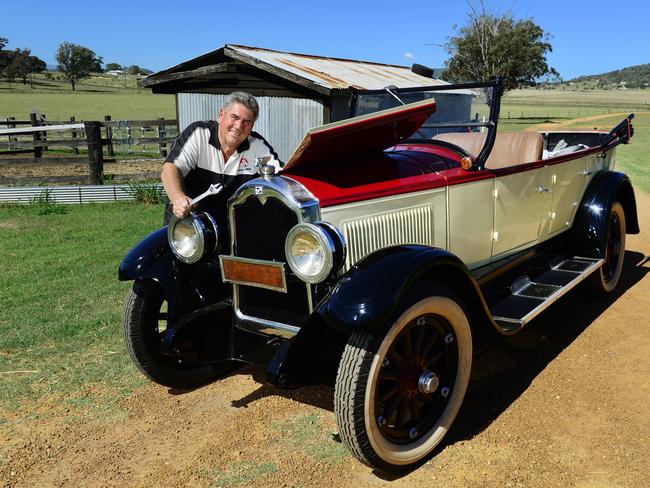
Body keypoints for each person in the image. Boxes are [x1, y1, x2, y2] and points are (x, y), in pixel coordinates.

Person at [161, 91, 281, 223]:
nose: (239, 126)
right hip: (188, 227)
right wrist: (178, 198)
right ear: (221, 115)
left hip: (229, 229)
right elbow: (170, 168)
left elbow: (282, 176)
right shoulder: (199, 134)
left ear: (252, 126)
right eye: (234, 117)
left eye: (246, 122)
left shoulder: (258, 145)